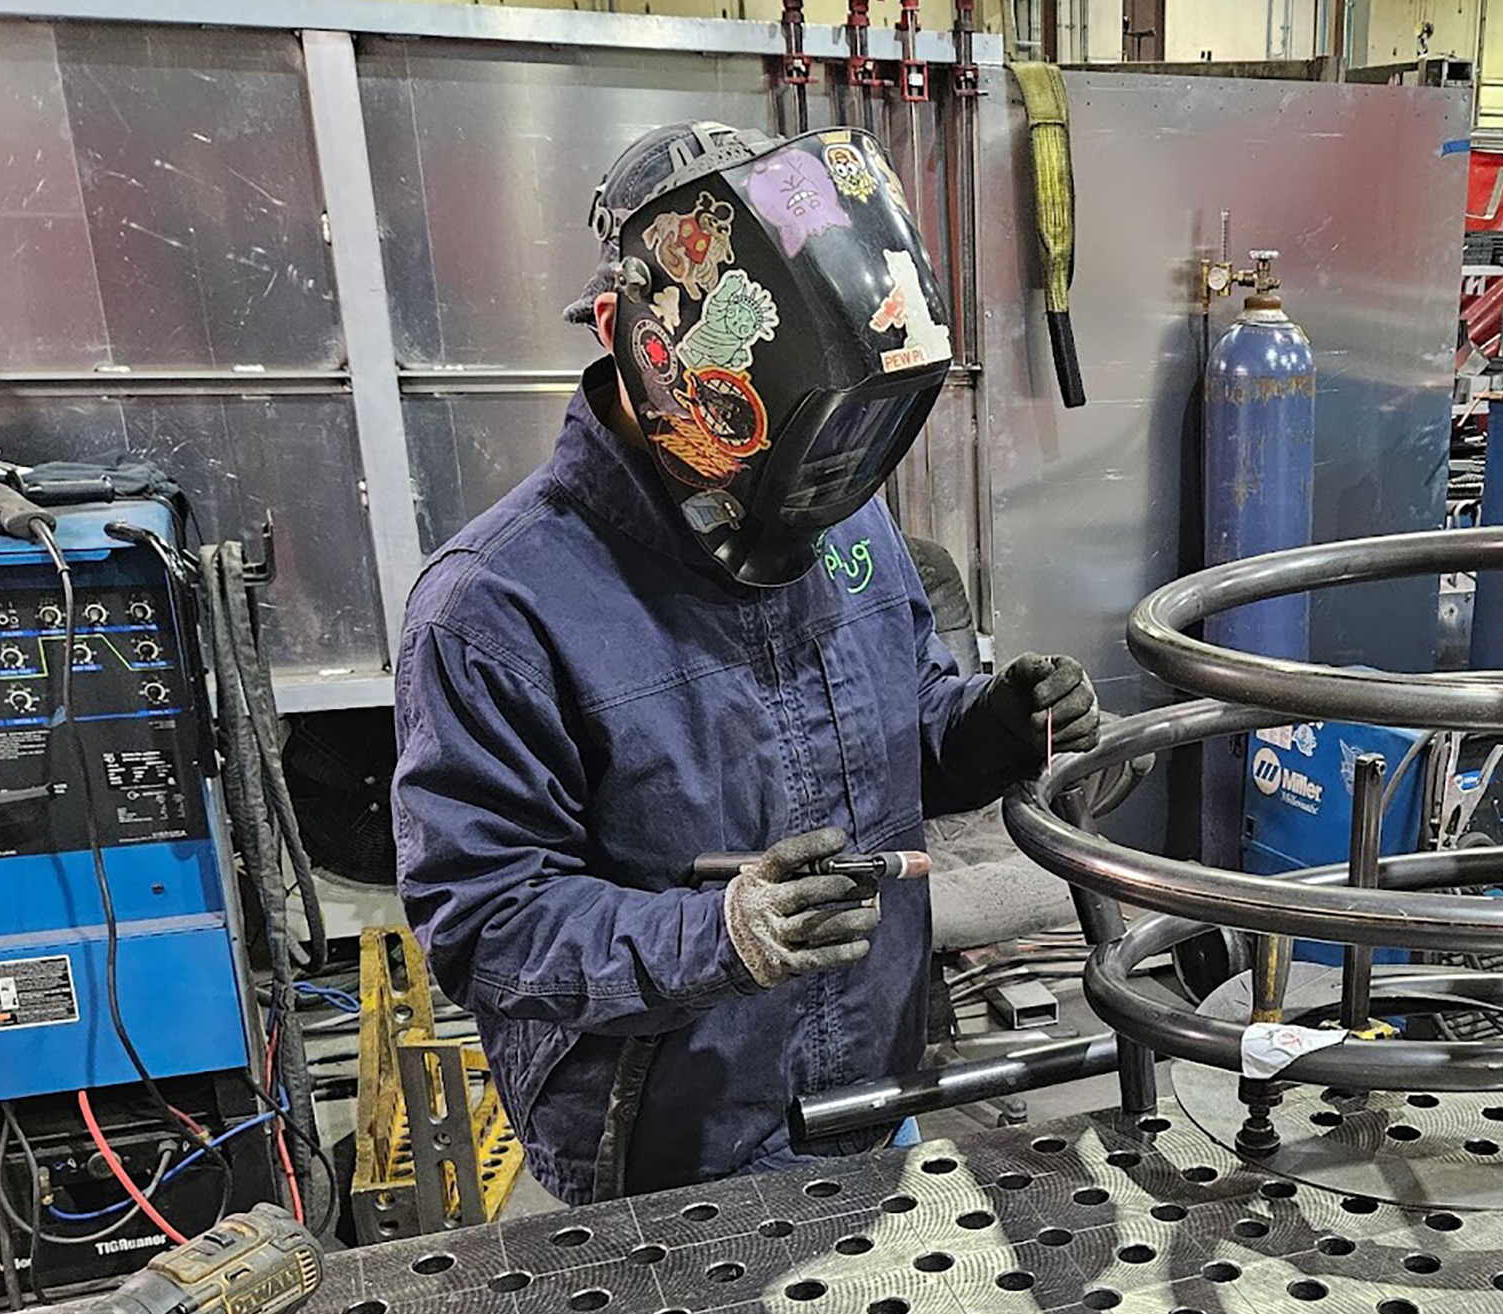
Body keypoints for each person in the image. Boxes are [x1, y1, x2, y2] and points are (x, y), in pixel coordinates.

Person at [390, 122, 1098, 1203]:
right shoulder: (493, 607)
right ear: (650, 353)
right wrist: (717, 936)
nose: (834, 485)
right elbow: (484, 922)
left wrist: (986, 730)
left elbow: (899, 735)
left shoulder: (841, 523)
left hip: (876, 1096)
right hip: (665, 1158)